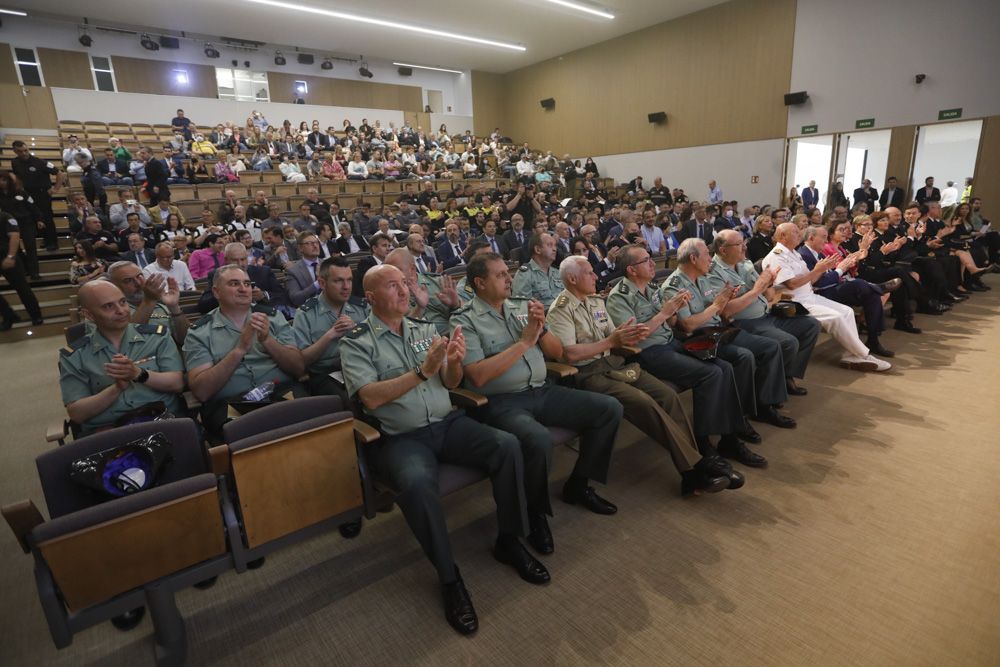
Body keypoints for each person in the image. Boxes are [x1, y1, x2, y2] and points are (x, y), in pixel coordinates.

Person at [340, 263, 542, 635]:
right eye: (392, 286)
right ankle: (450, 579)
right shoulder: (355, 341)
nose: (404, 292)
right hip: (402, 439)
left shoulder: (424, 328)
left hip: (448, 424)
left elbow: (451, 381)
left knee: (507, 445)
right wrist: (421, 371)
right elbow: (369, 397)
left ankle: (509, 539)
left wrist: (451, 363)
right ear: (370, 298)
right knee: (417, 486)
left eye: (406, 284)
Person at [451, 253, 625, 538]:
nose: (509, 278)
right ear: (480, 283)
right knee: (538, 439)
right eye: (500, 275)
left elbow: (557, 353)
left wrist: (541, 329)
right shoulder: (465, 321)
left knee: (609, 408)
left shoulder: (522, 307)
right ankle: (535, 512)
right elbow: (478, 376)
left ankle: (579, 484)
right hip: (501, 402)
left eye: (508, 272)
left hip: (542, 390)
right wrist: (524, 342)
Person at [548, 256, 743, 496]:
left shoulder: (595, 302)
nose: (596, 276)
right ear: (572, 278)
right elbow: (568, 354)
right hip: (587, 373)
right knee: (644, 402)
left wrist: (628, 334)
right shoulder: (561, 309)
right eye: (590, 273)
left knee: (667, 395)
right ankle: (695, 470)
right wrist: (612, 340)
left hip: (615, 363)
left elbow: (616, 336)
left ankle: (693, 469)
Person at [607, 244, 762, 466]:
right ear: (632, 270)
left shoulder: (651, 288)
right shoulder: (619, 297)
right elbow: (633, 337)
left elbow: (671, 323)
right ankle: (703, 443)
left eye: (651, 258)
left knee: (725, 368)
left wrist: (675, 310)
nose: (653, 263)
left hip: (671, 342)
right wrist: (665, 313)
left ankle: (730, 438)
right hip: (648, 353)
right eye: (645, 261)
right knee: (709, 374)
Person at [663, 238, 795, 433]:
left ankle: (761, 406)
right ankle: (740, 416)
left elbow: (720, 309)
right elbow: (688, 326)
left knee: (770, 347)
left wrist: (724, 300)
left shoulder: (703, 276)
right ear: (693, 258)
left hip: (719, 330)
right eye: (707, 255)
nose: (710, 258)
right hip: (699, 338)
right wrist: (718, 305)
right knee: (744, 357)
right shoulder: (673, 286)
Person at [184, 265, 306, 439]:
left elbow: (298, 369)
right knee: (247, 433)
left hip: (281, 392)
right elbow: (202, 391)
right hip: (230, 404)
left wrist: (267, 341)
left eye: (247, 284)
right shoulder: (200, 332)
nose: (243, 289)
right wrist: (240, 349)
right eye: (234, 284)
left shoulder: (272, 317)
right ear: (217, 292)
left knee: (311, 414)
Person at [59, 280, 185, 436]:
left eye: (123, 302)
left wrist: (139, 374)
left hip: (163, 422)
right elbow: (77, 413)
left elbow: (177, 383)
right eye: (108, 306)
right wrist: (116, 388)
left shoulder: (157, 336)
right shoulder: (75, 355)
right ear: (88, 315)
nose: (121, 311)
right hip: (110, 432)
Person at [763, 223, 891, 371]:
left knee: (847, 311)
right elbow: (791, 284)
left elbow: (810, 280)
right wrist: (817, 270)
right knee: (835, 317)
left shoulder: (794, 253)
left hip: (808, 296)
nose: (799, 234)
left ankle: (851, 355)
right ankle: (864, 354)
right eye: (795, 232)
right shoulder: (776, 256)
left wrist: (823, 270)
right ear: (782, 236)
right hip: (793, 301)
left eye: (799, 232)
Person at [709, 230, 820, 395]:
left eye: (744, 242)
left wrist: (768, 283)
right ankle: (766, 394)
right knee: (788, 342)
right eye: (739, 244)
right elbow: (724, 311)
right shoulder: (713, 273)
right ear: (723, 250)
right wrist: (756, 290)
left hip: (765, 315)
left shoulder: (744, 263)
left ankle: (786, 376)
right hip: (744, 322)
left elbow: (768, 296)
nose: (744, 247)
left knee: (811, 325)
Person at [293, 256, 368, 398]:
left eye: (349, 280)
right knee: (350, 399)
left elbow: (377, 342)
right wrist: (330, 335)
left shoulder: (362, 307)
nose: (346, 286)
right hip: (325, 374)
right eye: (338, 281)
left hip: (361, 366)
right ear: (322, 283)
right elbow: (301, 362)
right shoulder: (306, 313)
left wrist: (356, 331)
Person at [196, 242, 289, 316]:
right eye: (235, 260)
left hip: (262, 316)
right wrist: (226, 294)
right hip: (230, 319)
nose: (240, 264)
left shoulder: (263, 272)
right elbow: (203, 305)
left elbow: (283, 296)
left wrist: (263, 295)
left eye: (243, 259)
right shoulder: (217, 274)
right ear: (226, 260)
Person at [10, 140, 61, 251]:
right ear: (15, 151)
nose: (24, 153)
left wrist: (55, 189)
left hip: (42, 193)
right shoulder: (15, 162)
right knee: (35, 218)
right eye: (20, 151)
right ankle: (45, 239)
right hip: (27, 194)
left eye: (25, 150)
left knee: (46, 217)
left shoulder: (40, 162)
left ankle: (53, 242)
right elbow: (18, 176)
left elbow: (60, 173)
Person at [0, 211, 43, 328]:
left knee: (22, 288)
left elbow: (14, 236)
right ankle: (8, 315)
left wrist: (10, 256)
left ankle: (36, 315)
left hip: (8, 256)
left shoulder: (5, 217)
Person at [0, 171, 46, 280]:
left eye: (4, 179)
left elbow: (32, 206)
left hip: (26, 223)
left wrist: (39, 219)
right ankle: (25, 269)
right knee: (16, 250)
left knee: (30, 248)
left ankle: (34, 273)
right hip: (9, 226)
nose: (2, 182)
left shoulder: (21, 193)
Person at [511, 233, 564, 309]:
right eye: (549, 245)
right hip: (541, 317)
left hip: (563, 315)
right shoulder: (524, 274)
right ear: (537, 249)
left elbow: (566, 297)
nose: (554, 249)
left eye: (555, 245)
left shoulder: (557, 272)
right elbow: (520, 306)